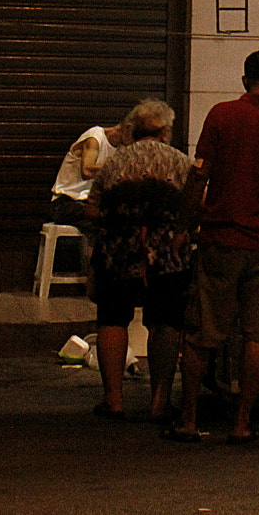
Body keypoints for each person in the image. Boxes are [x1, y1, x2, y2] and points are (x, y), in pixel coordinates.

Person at [167, 50, 259, 444]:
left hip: (219, 239)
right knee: (257, 335)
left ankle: (189, 420)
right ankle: (242, 423)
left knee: (202, 330)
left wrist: (182, 227)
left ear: (244, 79)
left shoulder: (221, 115)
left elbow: (199, 178)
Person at [86, 99, 191, 422]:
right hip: (167, 256)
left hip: (117, 252)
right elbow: (195, 205)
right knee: (166, 323)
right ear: (164, 131)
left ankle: (114, 400)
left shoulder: (114, 164)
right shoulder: (180, 162)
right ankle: (160, 401)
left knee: (113, 319)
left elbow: (92, 210)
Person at [50, 111, 135, 229]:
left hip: (89, 201)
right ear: (127, 130)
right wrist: (112, 165)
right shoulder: (95, 138)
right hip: (65, 203)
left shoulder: (121, 149)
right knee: (101, 221)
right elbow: (86, 171)